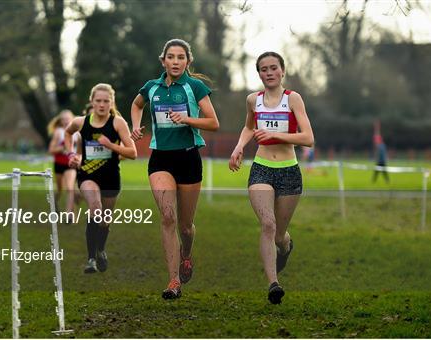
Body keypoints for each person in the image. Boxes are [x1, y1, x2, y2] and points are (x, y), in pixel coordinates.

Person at [130, 39, 219, 299]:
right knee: (167, 217)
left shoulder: (195, 86)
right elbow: (137, 104)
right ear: (163, 61)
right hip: (160, 160)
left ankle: (187, 254)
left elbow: (213, 122)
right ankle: (173, 281)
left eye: (181, 57)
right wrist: (135, 125)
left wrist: (187, 119)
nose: (176, 61)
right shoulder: (152, 87)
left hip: (189, 159)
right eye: (171, 57)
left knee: (185, 226)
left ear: (187, 62)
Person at [228, 52, 314, 304]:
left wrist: (278, 136)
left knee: (279, 235)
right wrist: (239, 146)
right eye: (263, 69)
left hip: (289, 170)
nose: (269, 72)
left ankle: (285, 247)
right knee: (268, 224)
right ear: (259, 73)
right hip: (262, 168)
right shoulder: (253, 100)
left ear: (282, 70)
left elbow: (308, 138)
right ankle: (273, 284)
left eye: (273, 68)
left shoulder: (293, 99)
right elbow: (249, 127)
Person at [65, 83, 137, 274]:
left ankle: (100, 250)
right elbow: (67, 132)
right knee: (95, 208)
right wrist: (71, 155)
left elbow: (132, 153)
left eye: (106, 101)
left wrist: (110, 145)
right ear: (92, 101)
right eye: (98, 101)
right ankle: (90, 259)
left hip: (111, 177)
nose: (102, 105)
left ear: (111, 102)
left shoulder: (117, 123)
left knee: (105, 220)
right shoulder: (81, 122)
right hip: (87, 175)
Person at [47, 110, 77, 222]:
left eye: (68, 119)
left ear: (72, 119)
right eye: (63, 119)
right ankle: (54, 201)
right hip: (59, 163)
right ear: (61, 121)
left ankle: (69, 215)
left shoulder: (77, 132)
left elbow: (81, 148)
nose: (66, 121)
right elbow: (51, 150)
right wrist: (62, 148)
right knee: (60, 189)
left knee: (70, 188)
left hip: (70, 164)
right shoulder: (58, 132)